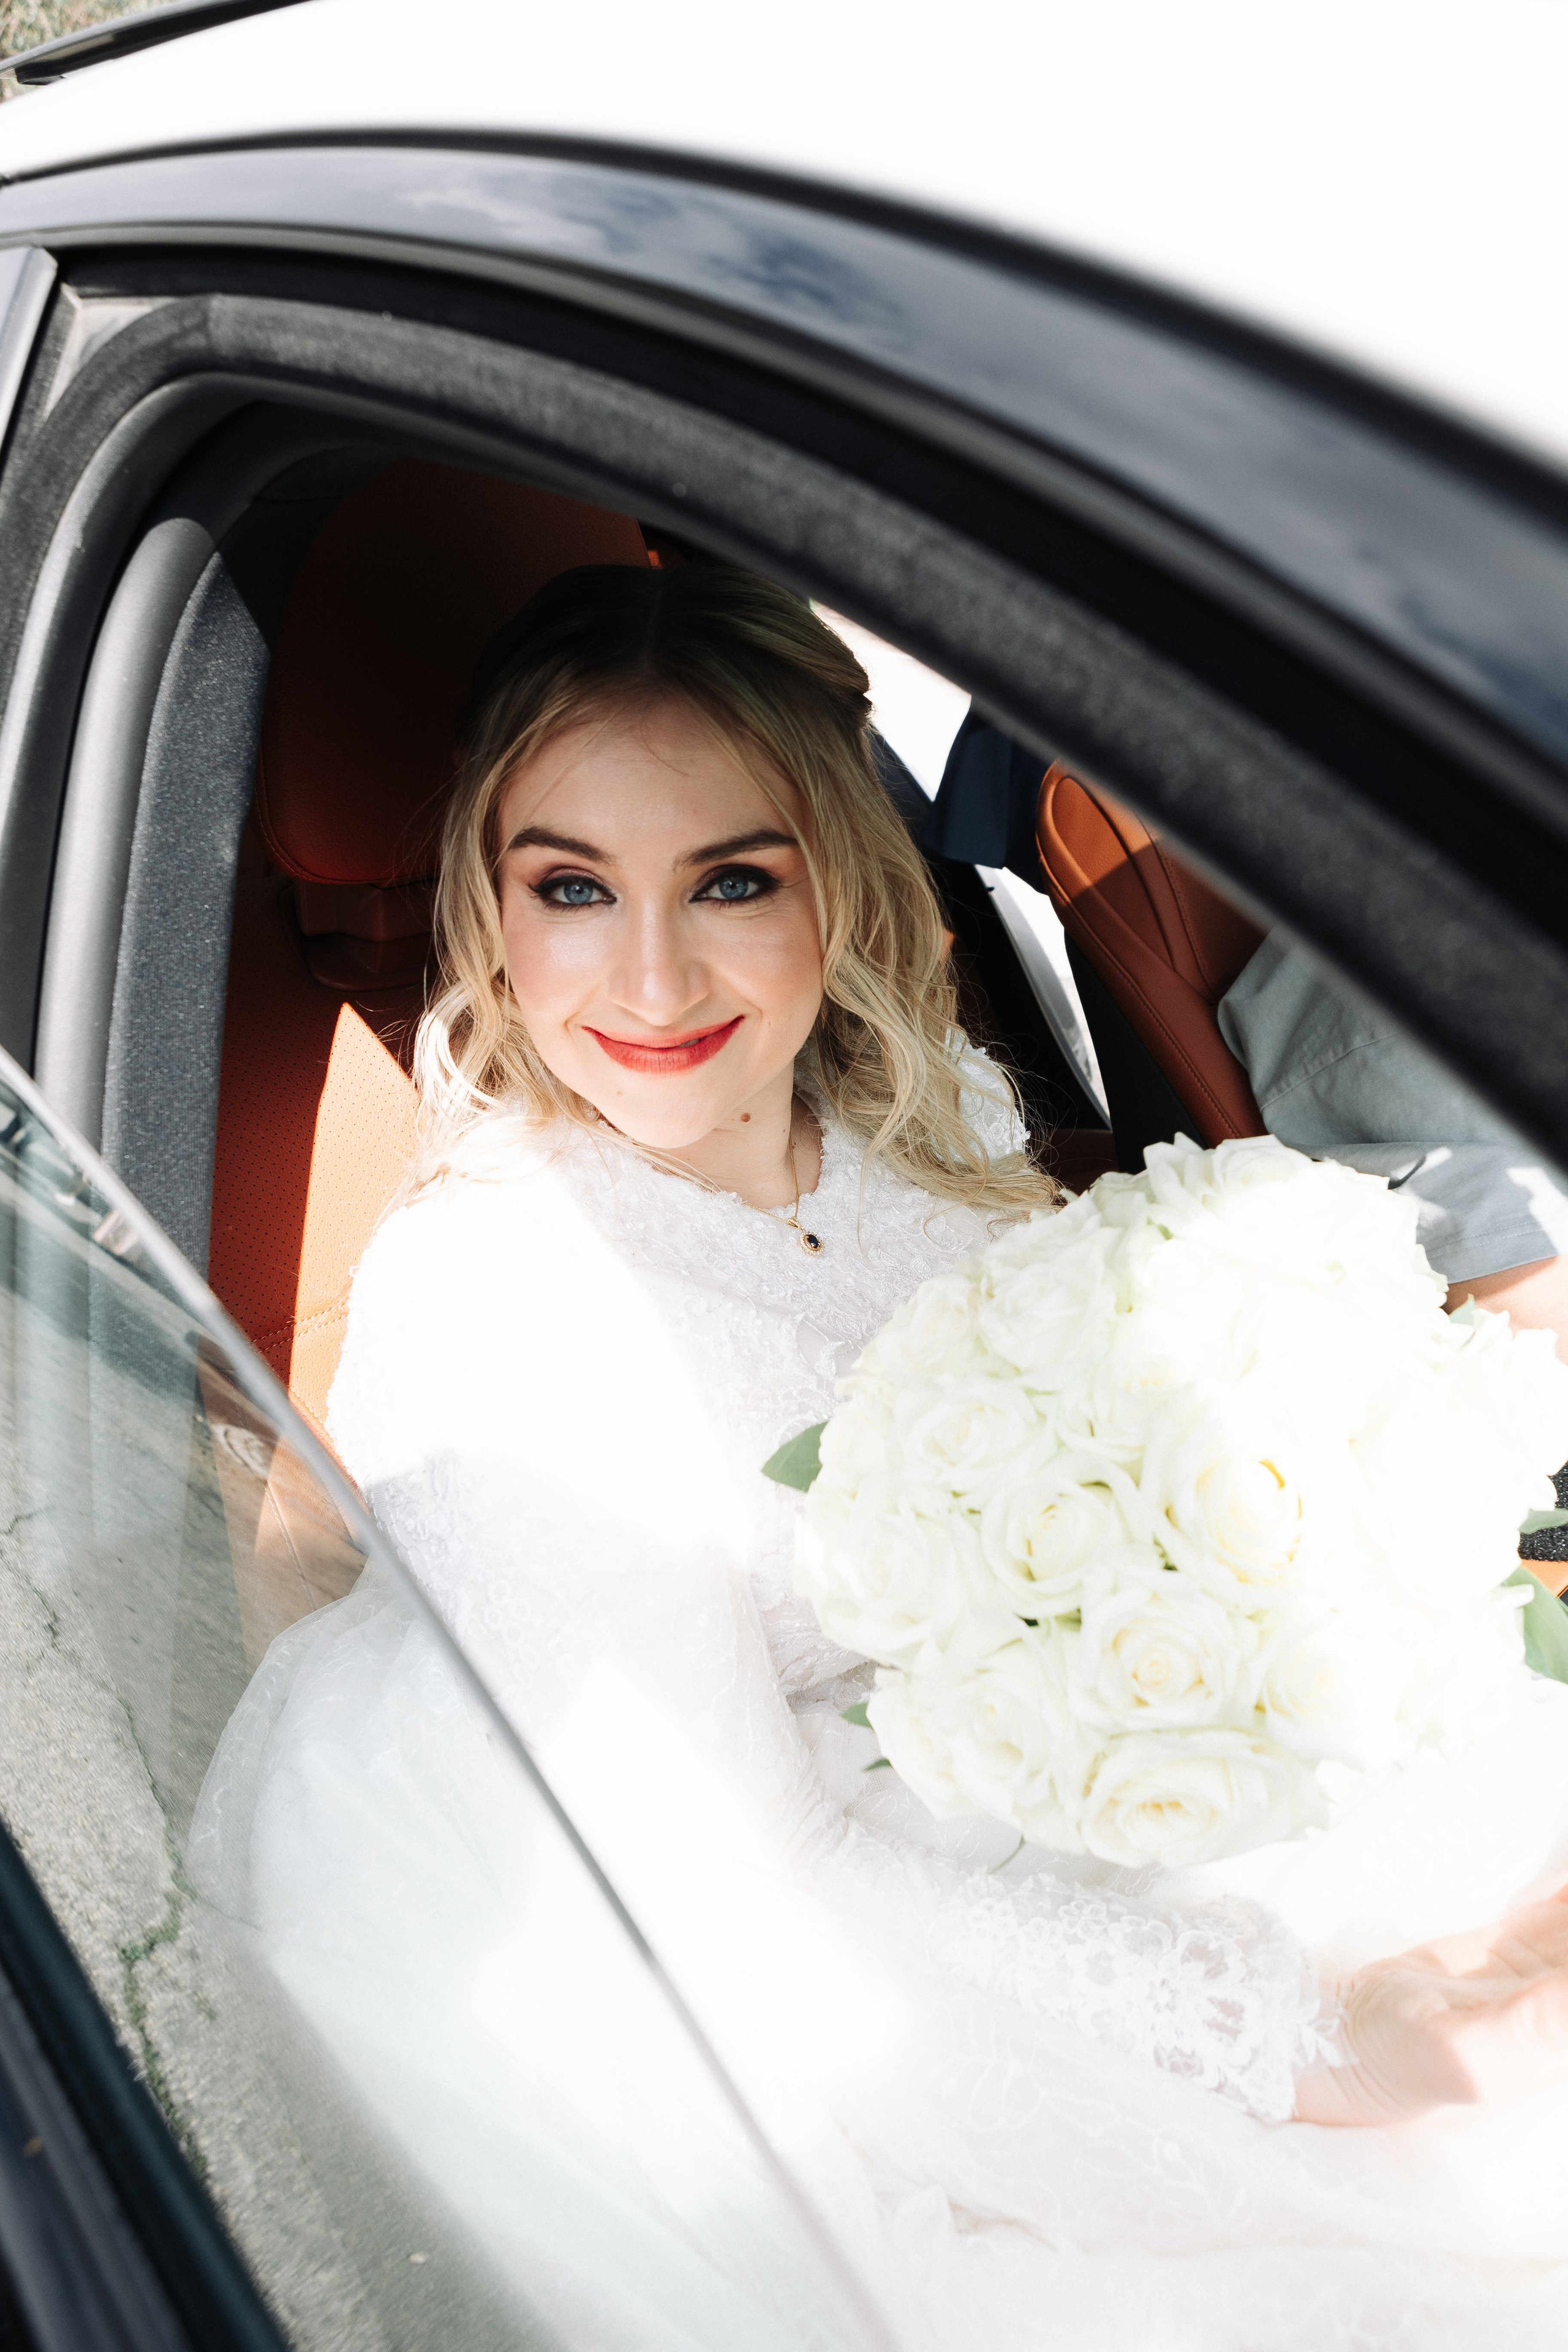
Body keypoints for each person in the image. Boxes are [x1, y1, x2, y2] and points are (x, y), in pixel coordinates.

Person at [192, 564, 1568, 2350]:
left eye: (733, 880)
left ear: (833, 878)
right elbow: (749, 1908)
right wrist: (1306, 2044)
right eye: (574, 888)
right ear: (492, 902)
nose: (656, 975)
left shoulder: (916, 1134)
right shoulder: (497, 1303)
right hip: (796, 1970)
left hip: (1029, 1808)